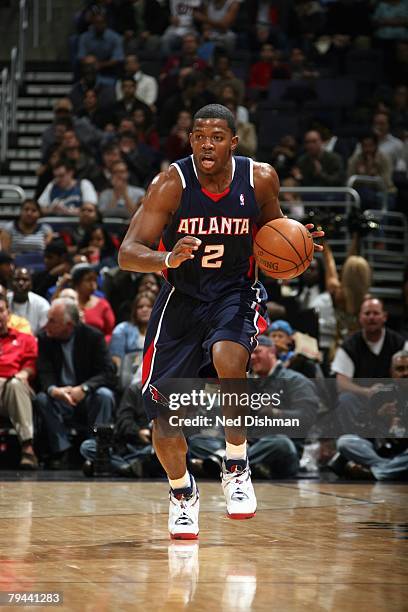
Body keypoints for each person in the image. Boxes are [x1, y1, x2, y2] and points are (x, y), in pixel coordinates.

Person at [118, 103, 323, 539]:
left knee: (230, 359)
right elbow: (127, 251)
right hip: (181, 298)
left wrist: (298, 241)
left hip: (234, 291)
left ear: (233, 141)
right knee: (165, 418)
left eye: (216, 136)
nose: (206, 143)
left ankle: (235, 464)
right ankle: (182, 493)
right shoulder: (170, 183)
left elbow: (273, 232)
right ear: (190, 141)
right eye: (198, 136)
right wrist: (165, 257)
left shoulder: (261, 177)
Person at [35, 298, 116, 468]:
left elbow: (108, 372)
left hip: (87, 396)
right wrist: (54, 390)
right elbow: (44, 372)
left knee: (105, 395)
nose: (46, 325)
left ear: (69, 325)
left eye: (52, 321)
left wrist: (85, 388)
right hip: (60, 397)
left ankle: (95, 450)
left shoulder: (93, 336)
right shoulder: (44, 338)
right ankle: (62, 451)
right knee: (42, 399)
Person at [331, 297, 407, 434]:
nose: (371, 317)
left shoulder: (400, 343)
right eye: (367, 313)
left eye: (376, 313)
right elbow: (341, 383)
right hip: (362, 400)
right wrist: (367, 392)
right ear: (360, 317)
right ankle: (352, 438)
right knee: (345, 400)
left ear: (384, 317)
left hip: (395, 397)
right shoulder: (349, 346)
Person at [335, 349, 408, 480]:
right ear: (392, 373)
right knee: (345, 441)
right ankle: (391, 469)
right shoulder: (381, 394)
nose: (405, 373)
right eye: (400, 369)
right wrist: (379, 417)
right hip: (382, 450)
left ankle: (377, 473)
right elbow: (361, 429)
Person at [0, 295, 38, 469]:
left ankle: (27, 448)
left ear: (8, 313)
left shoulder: (25, 339)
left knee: (15, 384)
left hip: (13, 391)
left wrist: (23, 373)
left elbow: (31, 365)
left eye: (1, 311)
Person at [71, 262, 115, 342]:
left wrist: (100, 344)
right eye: (88, 280)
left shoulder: (103, 304)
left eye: (95, 280)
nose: (93, 284)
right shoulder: (68, 302)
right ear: (77, 283)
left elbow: (110, 333)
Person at [8, 267, 50, 336]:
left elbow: (45, 332)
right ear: (10, 283)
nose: (21, 283)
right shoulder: (3, 302)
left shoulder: (42, 304)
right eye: (17, 279)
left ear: (31, 284)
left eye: (25, 280)